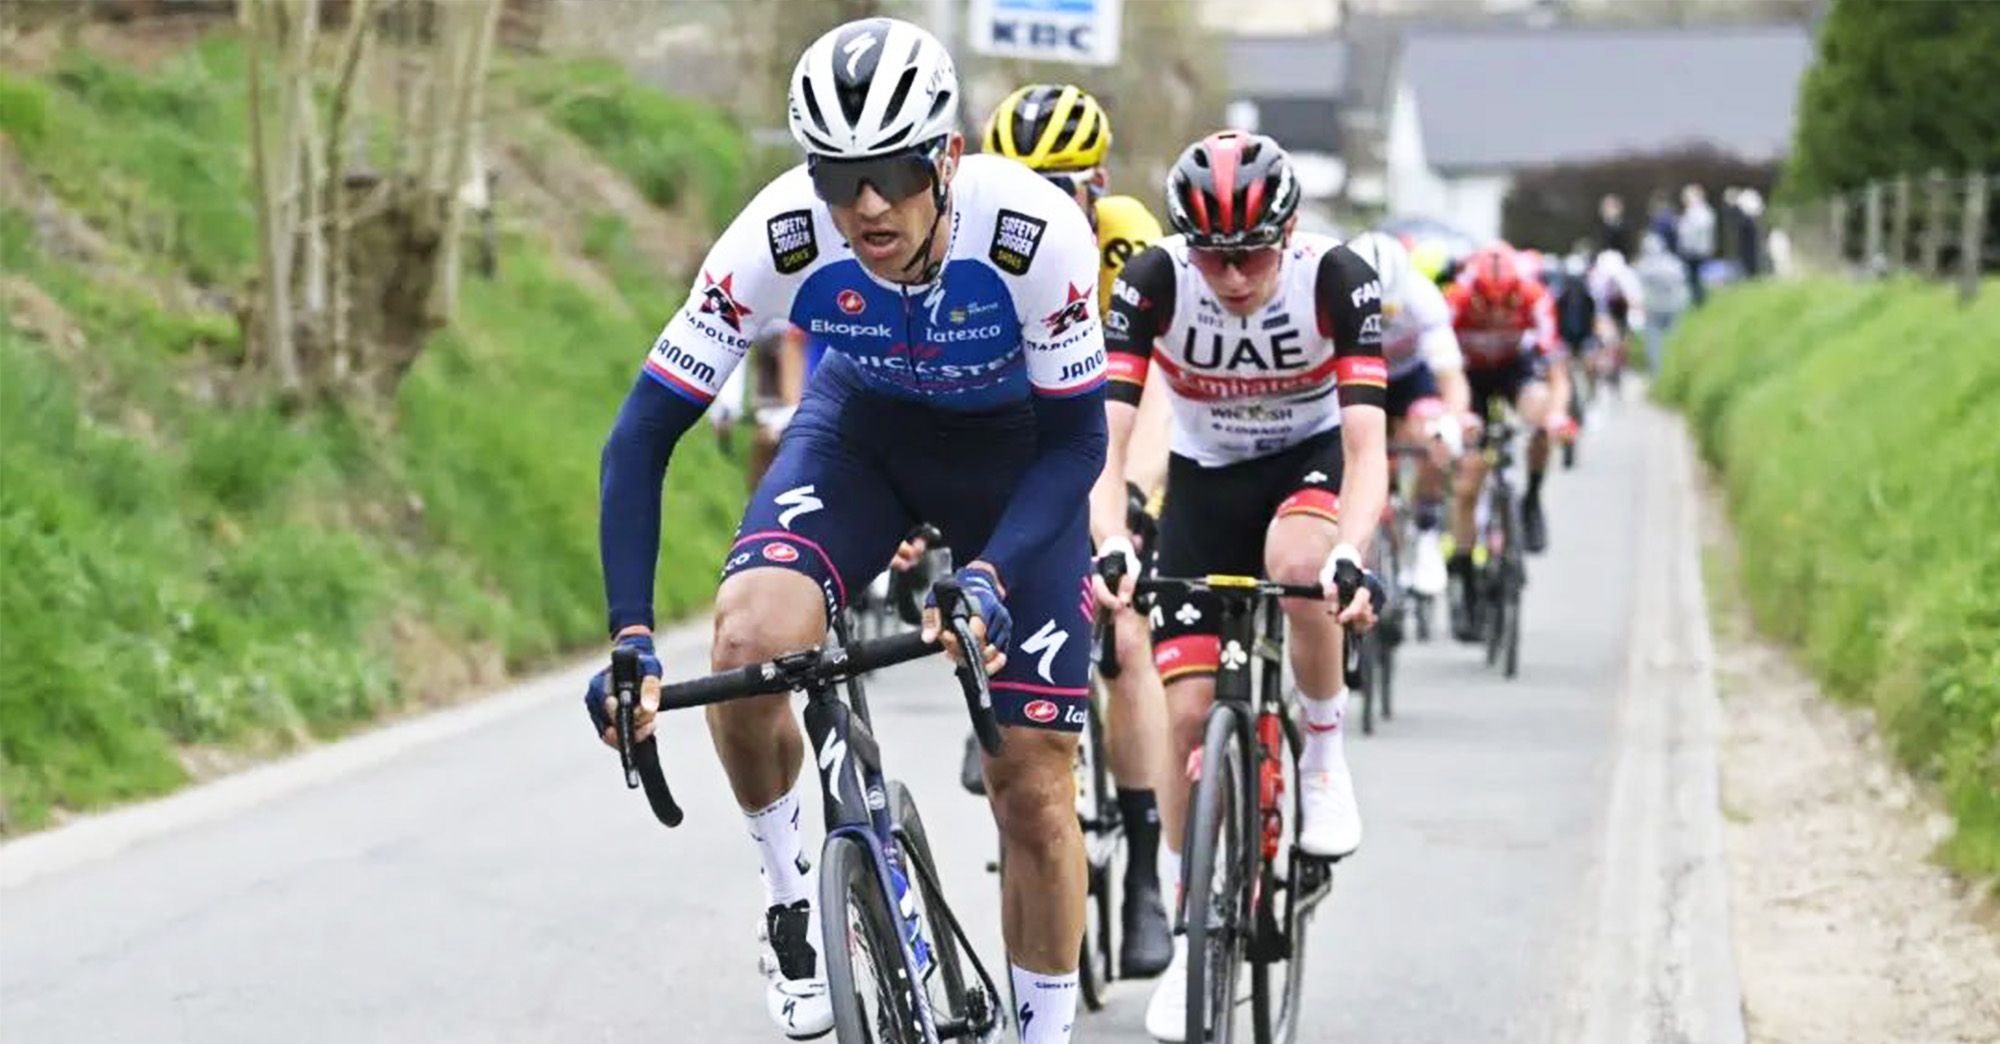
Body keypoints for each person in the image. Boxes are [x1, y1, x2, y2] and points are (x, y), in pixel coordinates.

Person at [586, 20, 1107, 1043]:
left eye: (894, 172)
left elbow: (1077, 444)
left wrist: (992, 576)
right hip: (862, 437)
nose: (866, 205)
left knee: (1034, 786)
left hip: (1016, 453)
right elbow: (639, 437)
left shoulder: (1034, 232)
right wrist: (630, 634)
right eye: (837, 175)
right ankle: (790, 901)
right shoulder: (778, 234)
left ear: (946, 158)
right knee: (745, 645)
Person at [1084, 130, 1389, 1041]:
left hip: (1308, 461)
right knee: (1184, 714)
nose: (1231, 275)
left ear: (1287, 234)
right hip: (1206, 480)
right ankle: (1195, 930)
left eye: (1251, 253)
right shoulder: (1155, 281)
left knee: (1299, 567)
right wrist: (1111, 537)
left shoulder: (1336, 279)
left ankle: (1323, 753)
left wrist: (1352, 550)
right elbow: (1106, 443)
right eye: (1212, 254)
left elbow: (1368, 449)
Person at [979, 81, 1175, 978]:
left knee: (1127, 633)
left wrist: (1129, 503)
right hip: (1026, 434)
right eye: (1020, 187)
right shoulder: (982, 245)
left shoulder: (1128, 241)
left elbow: (1155, 386)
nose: (1039, 208)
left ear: (1096, 186)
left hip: (1121, 427)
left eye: (1058, 189)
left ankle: (1144, 872)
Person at [1444, 243, 1571, 640]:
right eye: (1488, 306)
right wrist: (1456, 418)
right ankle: (1465, 577)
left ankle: (1531, 498)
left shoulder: (1535, 297)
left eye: (1506, 305)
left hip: (1515, 370)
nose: (1498, 314)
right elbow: (1442, 370)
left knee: (1540, 416)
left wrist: (1555, 416)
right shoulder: (1456, 300)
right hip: (1469, 378)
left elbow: (1557, 373)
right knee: (1468, 481)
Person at [1345, 230, 1470, 600]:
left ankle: (1426, 527)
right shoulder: (1328, 295)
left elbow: (1451, 377)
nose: (1382, 320)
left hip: (1409, 378)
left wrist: (1451, 422)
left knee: (1433, 432)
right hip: (1355, 378)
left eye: (1389, 311)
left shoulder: (1423, 297)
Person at [1633, 232, 1689, 374]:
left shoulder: (1643, 265)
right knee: (1673, 340)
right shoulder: (1673, 262)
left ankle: (1657, 372)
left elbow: (1636, 286)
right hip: (1673, 307)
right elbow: (1683, 282)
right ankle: (1673, 370)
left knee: (1654, 343)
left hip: (1654, 309)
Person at [1677, 184, 1716, 305]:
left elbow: (1696, 229)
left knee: (1695, 277)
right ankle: (1696, 299)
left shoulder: (1700, 211)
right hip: (1691, 249)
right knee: (1692, 278)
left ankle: (1699, 300)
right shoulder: (1693, 211)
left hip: (1696, 249)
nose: (1684, 200)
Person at [1595, 193, 1633, 258]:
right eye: (1607, 206)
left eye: (1612, 206)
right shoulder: (1599, 227)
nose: (1610, 209)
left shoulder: (1625, 226)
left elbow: (1627, 247)